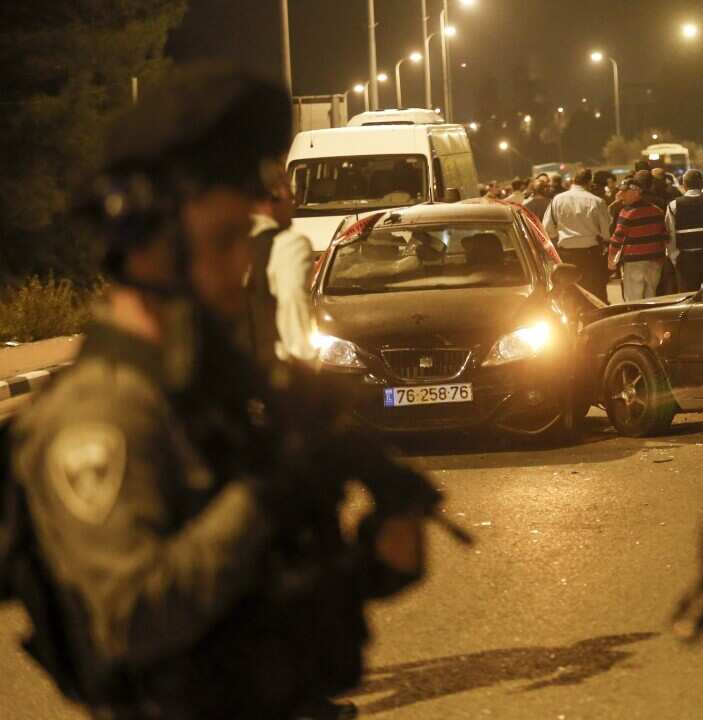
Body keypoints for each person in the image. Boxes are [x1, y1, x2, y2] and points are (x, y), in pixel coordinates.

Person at [4, 65, 436, 719]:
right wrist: (266, 493)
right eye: (224, 241)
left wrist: (378, 555)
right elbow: (132, 617)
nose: (243, 265)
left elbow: (255, 596)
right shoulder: (101, 414)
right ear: (150, 245)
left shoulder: (207, 393)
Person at [246, 162, 317, 368]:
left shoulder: (232, 247)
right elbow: (292, 301)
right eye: (291, 191)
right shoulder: (288, 245)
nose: (294, 201)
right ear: (277, 192)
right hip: (273, 373)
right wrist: (307, 364)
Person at [543, 168, 613, 302]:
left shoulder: (557, 199)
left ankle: (572, 320)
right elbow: (606, 233)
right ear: (589, 182)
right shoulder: (597, 201)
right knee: (594, 294)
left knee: (569, 294)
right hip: (591, 256)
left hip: (566, 255)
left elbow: (548, 229)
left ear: (573, 181)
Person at [608, 178, 668, 300]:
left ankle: (638, 319)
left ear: (636, 192)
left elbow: (618, 237)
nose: (621, 195)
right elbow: (664, 235)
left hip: (634, 261)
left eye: (625, 192)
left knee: (634, 299)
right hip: (655, 260)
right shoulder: (656, 210)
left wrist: (611, 259)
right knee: (651, 296)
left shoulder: (627, 212)